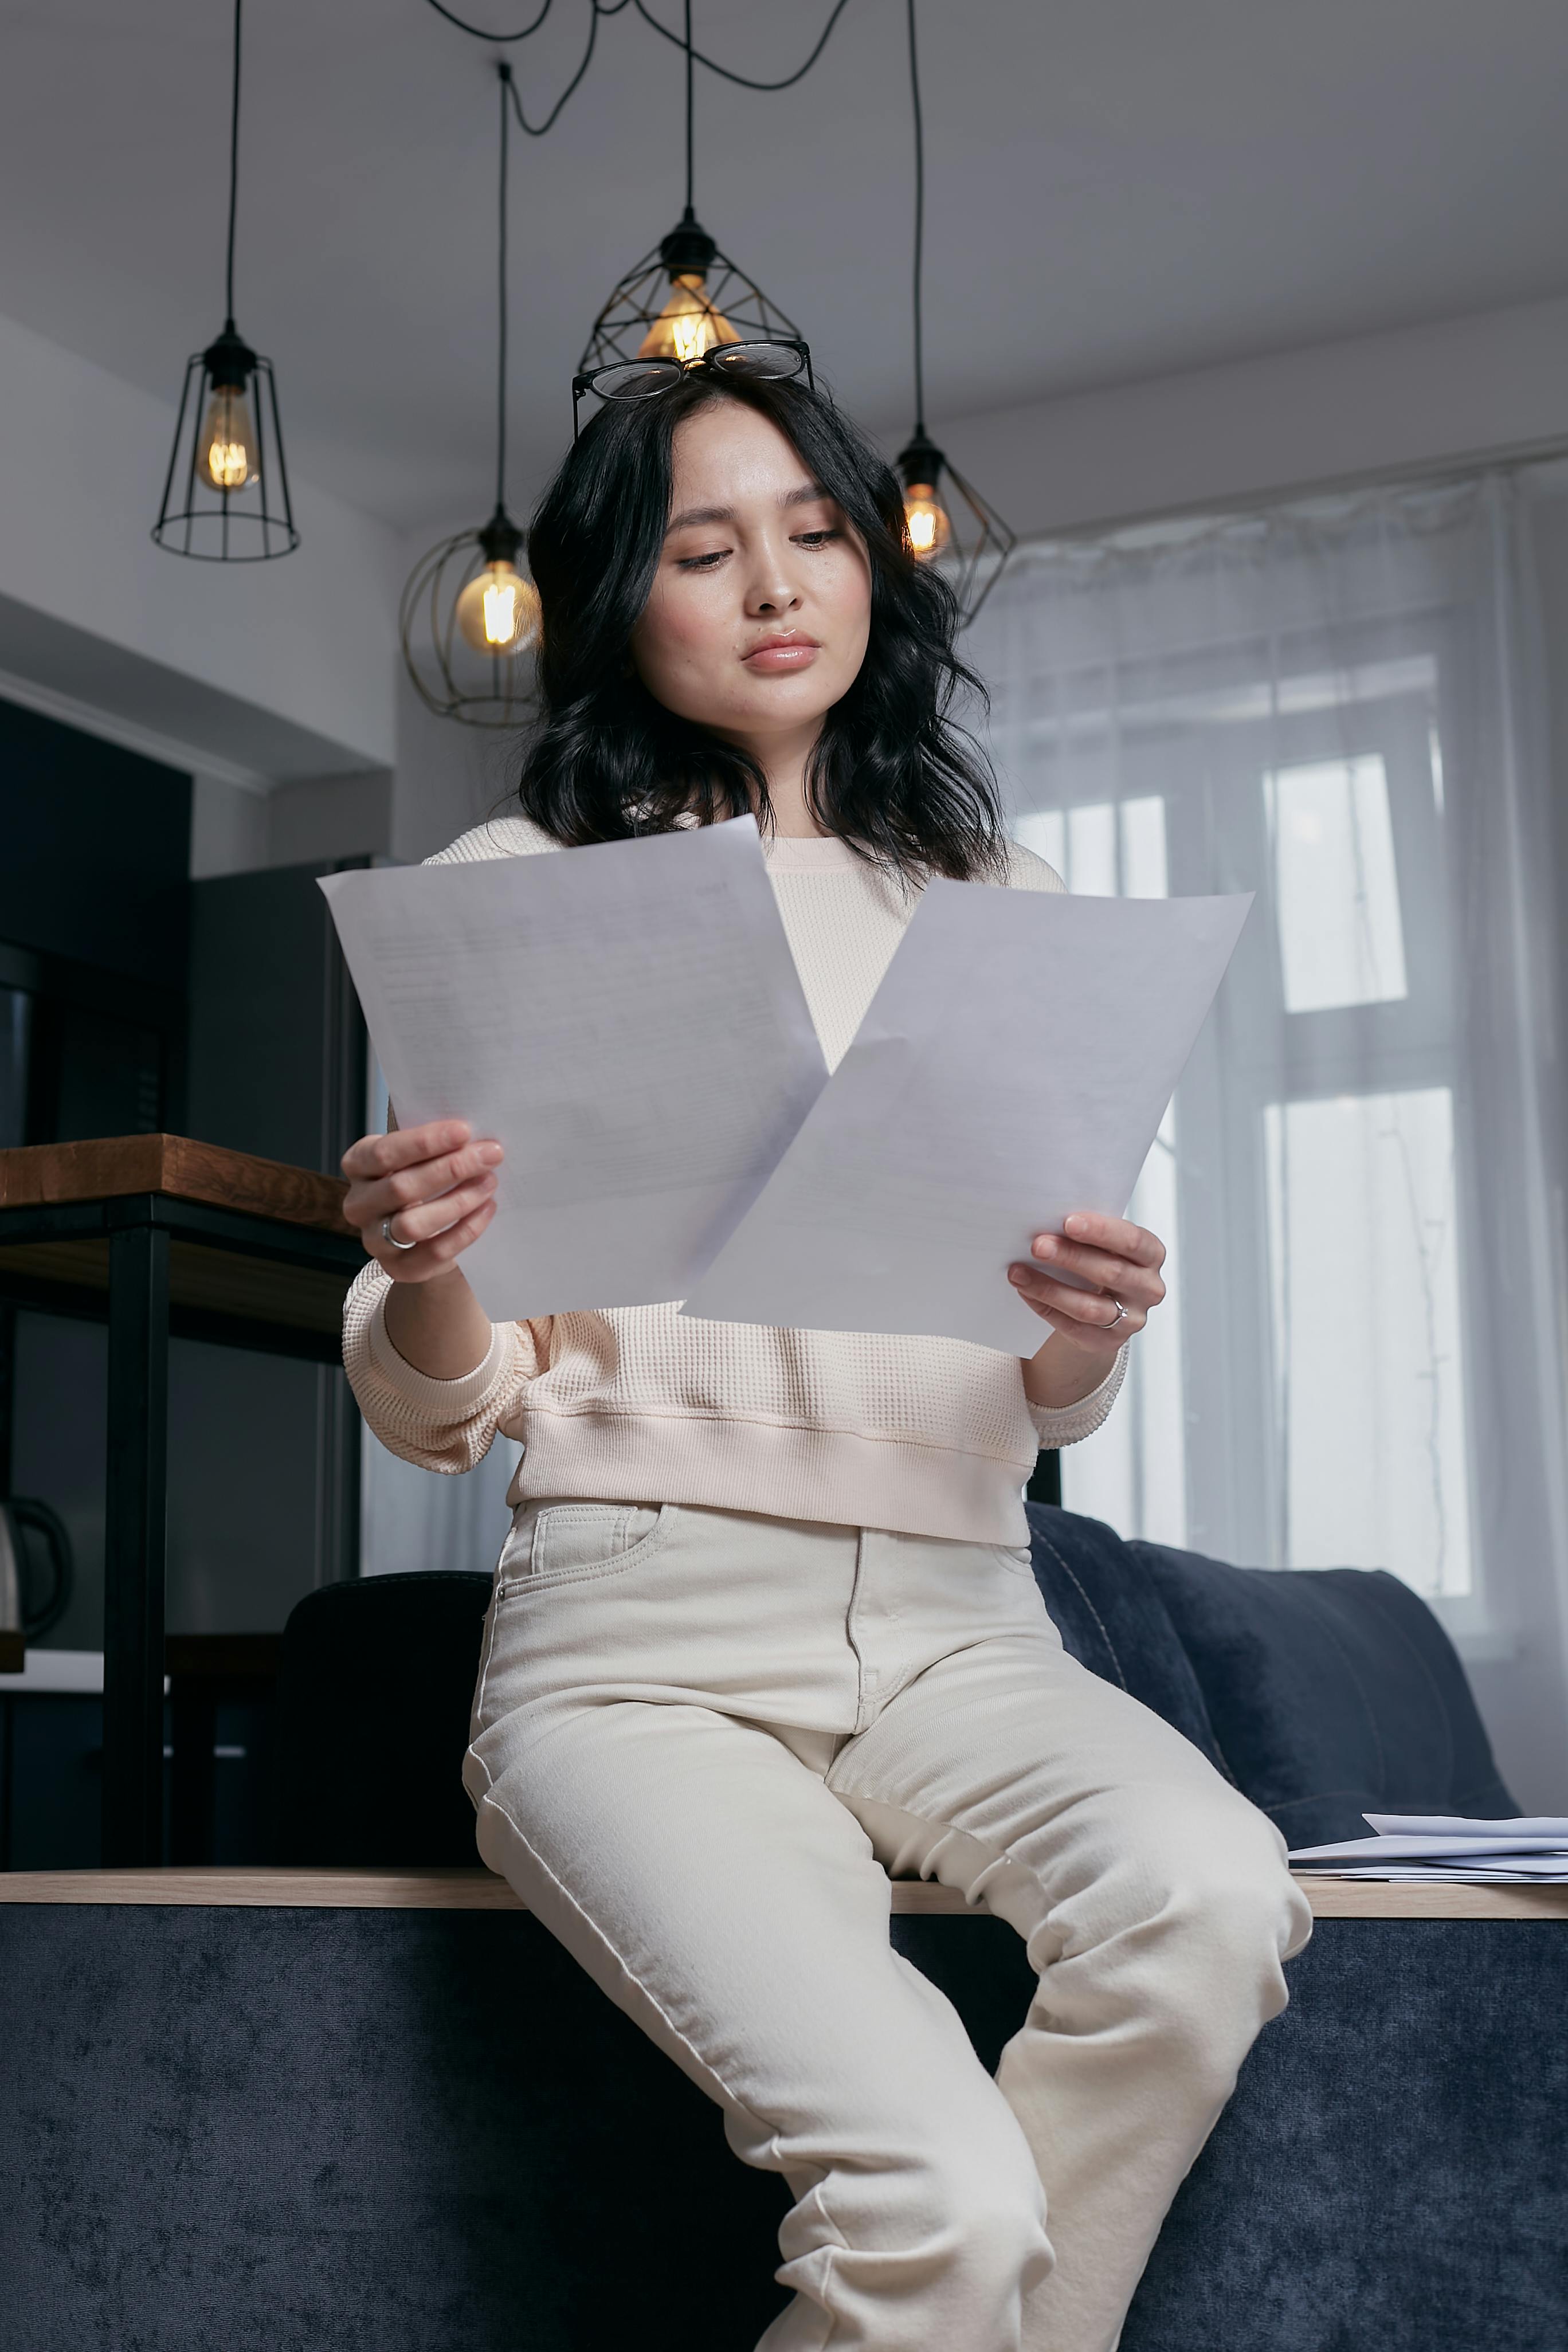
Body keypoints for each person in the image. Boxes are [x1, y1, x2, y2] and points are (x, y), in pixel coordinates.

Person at [339, 354, 1312, 2352]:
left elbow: (1039, 1393)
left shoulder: (999, 900)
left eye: (815, 532)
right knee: (934, 2204)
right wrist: (427, 1266)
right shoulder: (519, 895)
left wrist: (1083, 1337)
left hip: (966, 1620)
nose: (780, 584)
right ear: (627, 603)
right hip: (637, 1645)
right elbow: (447, 1398)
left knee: (1217, 1899)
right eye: (708, 549)